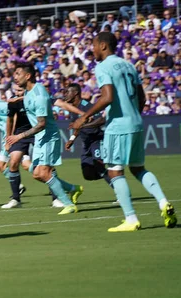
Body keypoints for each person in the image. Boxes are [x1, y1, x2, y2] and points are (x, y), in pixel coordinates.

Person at [70, 32, 177, 231]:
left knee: (114, 171)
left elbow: (107, 97)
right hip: (136, 122)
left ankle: (131, 219)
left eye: (94, 45)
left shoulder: (103, 67)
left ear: (103, 46)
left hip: (118, 126)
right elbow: (142, 98)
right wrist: (132, 114)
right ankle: (163, 202)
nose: (92, 50)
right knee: (138, 168)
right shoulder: (129, 65)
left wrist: (83, 117)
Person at [6, 62, 81, 215]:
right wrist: (19, 99)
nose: (15, 77)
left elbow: (41, 124)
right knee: (37, 173)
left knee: (44, 172)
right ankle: (73, 188)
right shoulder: (29, 91)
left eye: (18, 74)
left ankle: (68, 204)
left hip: (47, 136)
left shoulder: (39, 95)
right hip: (40, 138)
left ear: (28, 76)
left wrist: (19, 136)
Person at [63, 83, 112, 189]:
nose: (64, 95)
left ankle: (119, 188)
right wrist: (71, 139)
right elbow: (77, 127)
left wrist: (84, 125)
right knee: (88, 174)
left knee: (99, 166)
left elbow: (101, 120)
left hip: (96, 140)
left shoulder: (86, 106)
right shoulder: (73, 109)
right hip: (86, 144)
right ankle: (114, 177)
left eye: (67, 92)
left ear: (75, 93)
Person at [2, 84, 33, 209]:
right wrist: (8, 139)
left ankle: (56, 197)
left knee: (43, 165)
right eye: (16, 91)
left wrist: (21, 98)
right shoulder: (13, 102)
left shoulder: (34, 97)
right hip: (20, 133)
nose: (18, 93)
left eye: (20, 90)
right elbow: (9, 120)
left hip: (37, 130)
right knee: (13, 162)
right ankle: (16, 199)